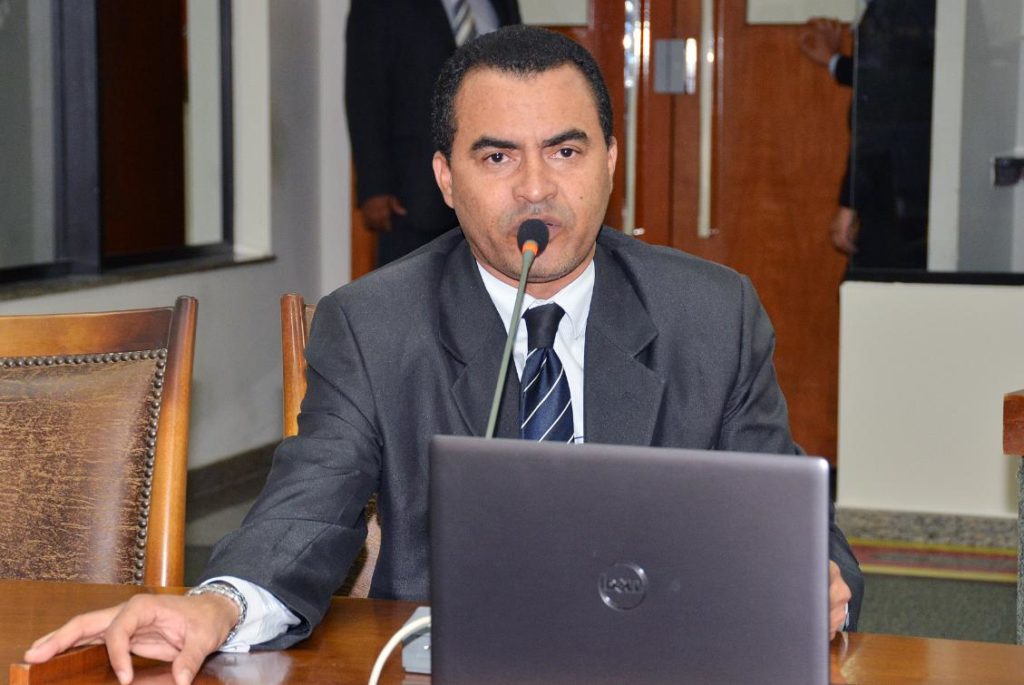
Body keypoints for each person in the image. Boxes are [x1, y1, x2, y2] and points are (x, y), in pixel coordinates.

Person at [25, 26, 863, 685]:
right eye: (497, 156)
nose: (536, 188)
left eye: (566, 151)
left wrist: (815, 573)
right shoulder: (374, 323)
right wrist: (217, 605)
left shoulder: (711, 313)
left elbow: (786, 516)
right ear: (446, 177)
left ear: (611, 160)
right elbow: (304, 511)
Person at [346, 0, 521, 266]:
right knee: (409, 284)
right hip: (414, 188)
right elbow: (365, 93)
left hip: (497, 179)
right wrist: (374, 186)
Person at [800, 2, 934, 270]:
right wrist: (837, 62)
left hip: (895, 181)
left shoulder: (893, 8)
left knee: (878, 279)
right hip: (922, 174)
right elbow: (906, 76)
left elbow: (880, 105)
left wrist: (850, 201)